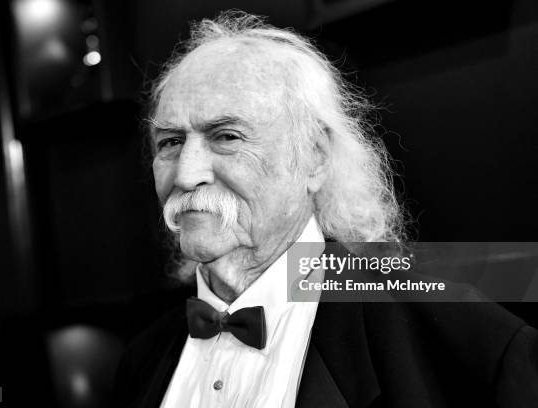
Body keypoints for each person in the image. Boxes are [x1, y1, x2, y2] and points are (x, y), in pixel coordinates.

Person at [112, 11, 538, 408]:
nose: (186, 175)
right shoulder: (141, 359)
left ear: (314, 157)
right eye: (170, 142)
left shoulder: (458, 336)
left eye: (226, 136)